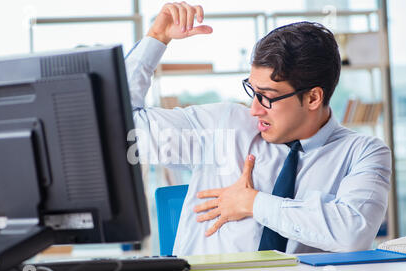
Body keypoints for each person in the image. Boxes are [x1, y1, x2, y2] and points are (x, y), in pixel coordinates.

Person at [125, 2, 391, 256]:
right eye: (253, 91)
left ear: (312, 98)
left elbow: (354, 232)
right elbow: (125, 131)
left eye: (268, 96)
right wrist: (156, 38)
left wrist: (253, 203)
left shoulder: (363, 153)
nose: (254, 109)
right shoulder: (224, 126)